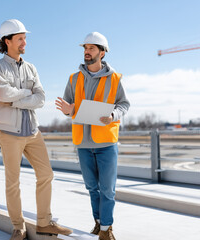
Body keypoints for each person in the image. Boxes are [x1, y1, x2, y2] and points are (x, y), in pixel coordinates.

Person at [0, 19, 72, 240]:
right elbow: (3, 95)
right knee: (12, 182)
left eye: (25, 38)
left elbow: (41, 99)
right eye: (20, 38)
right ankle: (18, 226)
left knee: (46, 175)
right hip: (9, 133)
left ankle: (44, 222)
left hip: (33, 131)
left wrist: (16, 97)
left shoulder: (31, 67)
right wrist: (26, 94)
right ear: (7, 41)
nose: (25, 42)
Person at [55, 32, 130, 240]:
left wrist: (114, 114)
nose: (87, 52)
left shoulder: (115, 78)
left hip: (106, 142)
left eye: (91, 48)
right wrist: (68, 110)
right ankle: (98, 222)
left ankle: (106, 229)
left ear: (102, 52)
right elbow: (68, 107)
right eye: (85, 48)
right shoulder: (74, 78)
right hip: (83, 142)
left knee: (107, 189)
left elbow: (124, 104)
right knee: (92, 188)